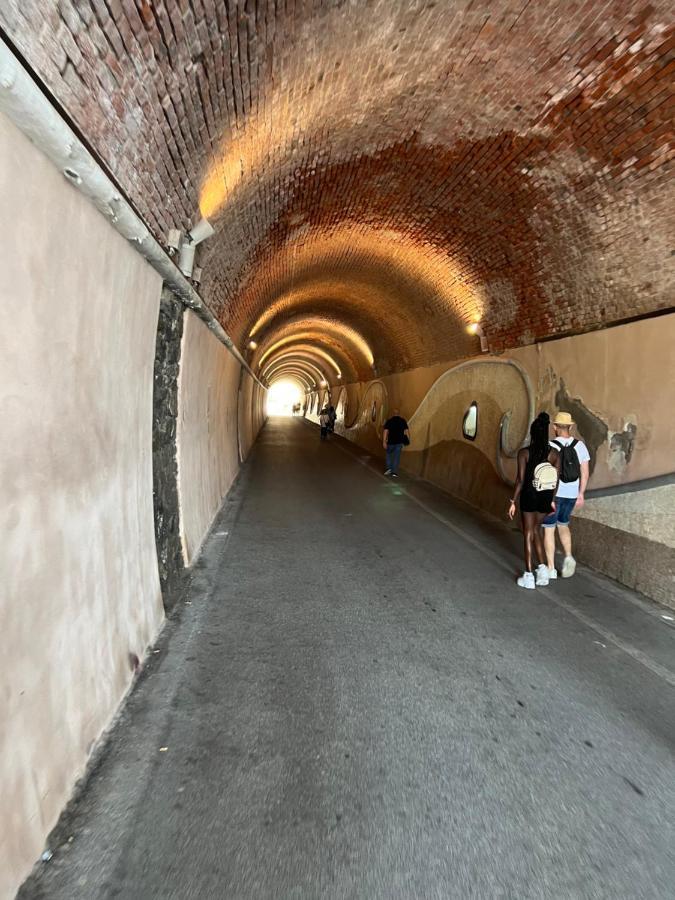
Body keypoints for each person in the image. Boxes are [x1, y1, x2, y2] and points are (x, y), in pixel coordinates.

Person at [508, 412, 560, 589]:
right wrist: (552, 501)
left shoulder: (524, 453)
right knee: (536, 530)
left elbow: (520, 480)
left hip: (530, 495)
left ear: (532, 433)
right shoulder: (554, 454)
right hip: (545, 497)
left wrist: (512, 501)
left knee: (528, 532)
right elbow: (556, 481)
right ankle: (543, 570)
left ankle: (529, 575)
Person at [543, 411, 590, 579]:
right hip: (571, 494)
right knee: (563, 524)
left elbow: (545, 473)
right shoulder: (580, 446)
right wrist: (581, 494)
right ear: (570, 427)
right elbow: (585, 473)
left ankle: (550, 568)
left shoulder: (550, 446)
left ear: (555, 427)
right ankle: (568, 556)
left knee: (549, 529)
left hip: (554, 494)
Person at [382, 408, 409, 477]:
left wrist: (384, 441)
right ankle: (394, 472)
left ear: (393, 413)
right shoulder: (403, 421)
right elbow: (406, 431)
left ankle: (389, 469)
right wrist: (407, 440)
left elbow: (385, 431)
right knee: (397, 457)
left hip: (390, 442)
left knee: (389, 454)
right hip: (399, 442)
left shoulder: (389, 421)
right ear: (399, 413)